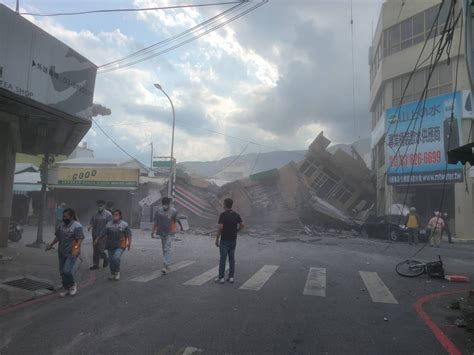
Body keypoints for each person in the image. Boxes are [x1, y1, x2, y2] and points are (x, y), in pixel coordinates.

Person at [46, 208, 84, 297]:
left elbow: (80, 238)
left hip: (72, 252)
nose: (64, 218)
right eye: (63, 216)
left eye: (66, 216)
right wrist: (51, 245)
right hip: (62, 252)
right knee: (62, 272)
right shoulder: (61, 225)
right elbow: (58, 237)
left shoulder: (77, 226)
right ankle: (67, 289)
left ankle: (73, 285)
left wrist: (76, 248)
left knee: (66, 270)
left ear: (71, 217)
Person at [95, 210, 131, 281]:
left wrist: (129, 243)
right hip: (110, 245)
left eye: (116, 215)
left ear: (120, 216)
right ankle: (112, 273)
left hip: (120, 245)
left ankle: (117, 272)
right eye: (113, 215)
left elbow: (129, 234)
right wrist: (97, 239)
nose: (114, 216)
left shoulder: (124, 224)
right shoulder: (108, 224)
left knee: (116, 258)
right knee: (111, 260)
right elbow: (103, 233)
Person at [215, 198, 244, 284]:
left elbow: (220, 228)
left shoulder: (223, 215)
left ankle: (221, 278)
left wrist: (217, 239)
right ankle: (231, 277)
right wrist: (236, 231)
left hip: (224, 240)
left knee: (223, 259)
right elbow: (242, 225)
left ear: (225, 205)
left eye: (223, 204)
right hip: (233, 240)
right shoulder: (236, 215)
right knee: (232, 259)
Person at [151, 197, 178, 275]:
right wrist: (153, 231)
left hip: (170, 232)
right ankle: (167, 263)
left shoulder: (173, 211)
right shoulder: (159, 211)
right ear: (162, 204)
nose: (165, 206)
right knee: (164, 248)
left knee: (167, 247)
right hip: (161, 232)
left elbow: (175, 220)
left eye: (166, 204)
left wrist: (174, 229)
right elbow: (156, 221)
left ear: (169, 204)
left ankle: (165, 265)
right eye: (164, 204)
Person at [88, 200, 112, 270]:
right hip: (95, 234)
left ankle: (105, 258)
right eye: (98, 205)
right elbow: (92, 222)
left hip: (103, 235)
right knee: (95, 249)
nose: (100, 207)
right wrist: (90, 226)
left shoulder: (108, 214)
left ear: (104, 205)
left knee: (100, 249)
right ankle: (95, 264)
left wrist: (108, 234)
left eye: (101, 205)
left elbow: (109, 225)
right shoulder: (95, 214)